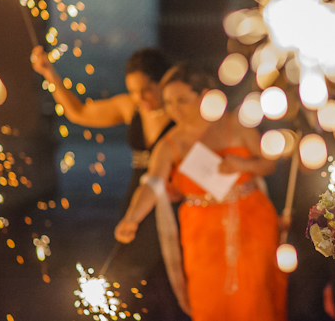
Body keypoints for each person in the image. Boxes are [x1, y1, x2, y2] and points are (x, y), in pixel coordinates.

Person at [114, 62, 287, 321]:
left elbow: (269, 163)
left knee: (252, 297)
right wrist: (132, 218)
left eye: (182, 100)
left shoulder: (235, 126)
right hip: (201, 231)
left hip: (250, 220)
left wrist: (243, 164)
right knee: (209, 300)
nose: (174, 109)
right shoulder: (170, 143)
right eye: (169, 102)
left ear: (205, 95)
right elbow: (152, 185)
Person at [30, 46, 186, 320]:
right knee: (133, 272)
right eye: (133, 91)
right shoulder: (131, 106)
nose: (140, 99)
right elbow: (78, 113)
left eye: (146, 90)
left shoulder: (184, 112)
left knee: (173, 273)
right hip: (138, 197)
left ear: (165, 81)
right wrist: (48, 72)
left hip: (177, 199)